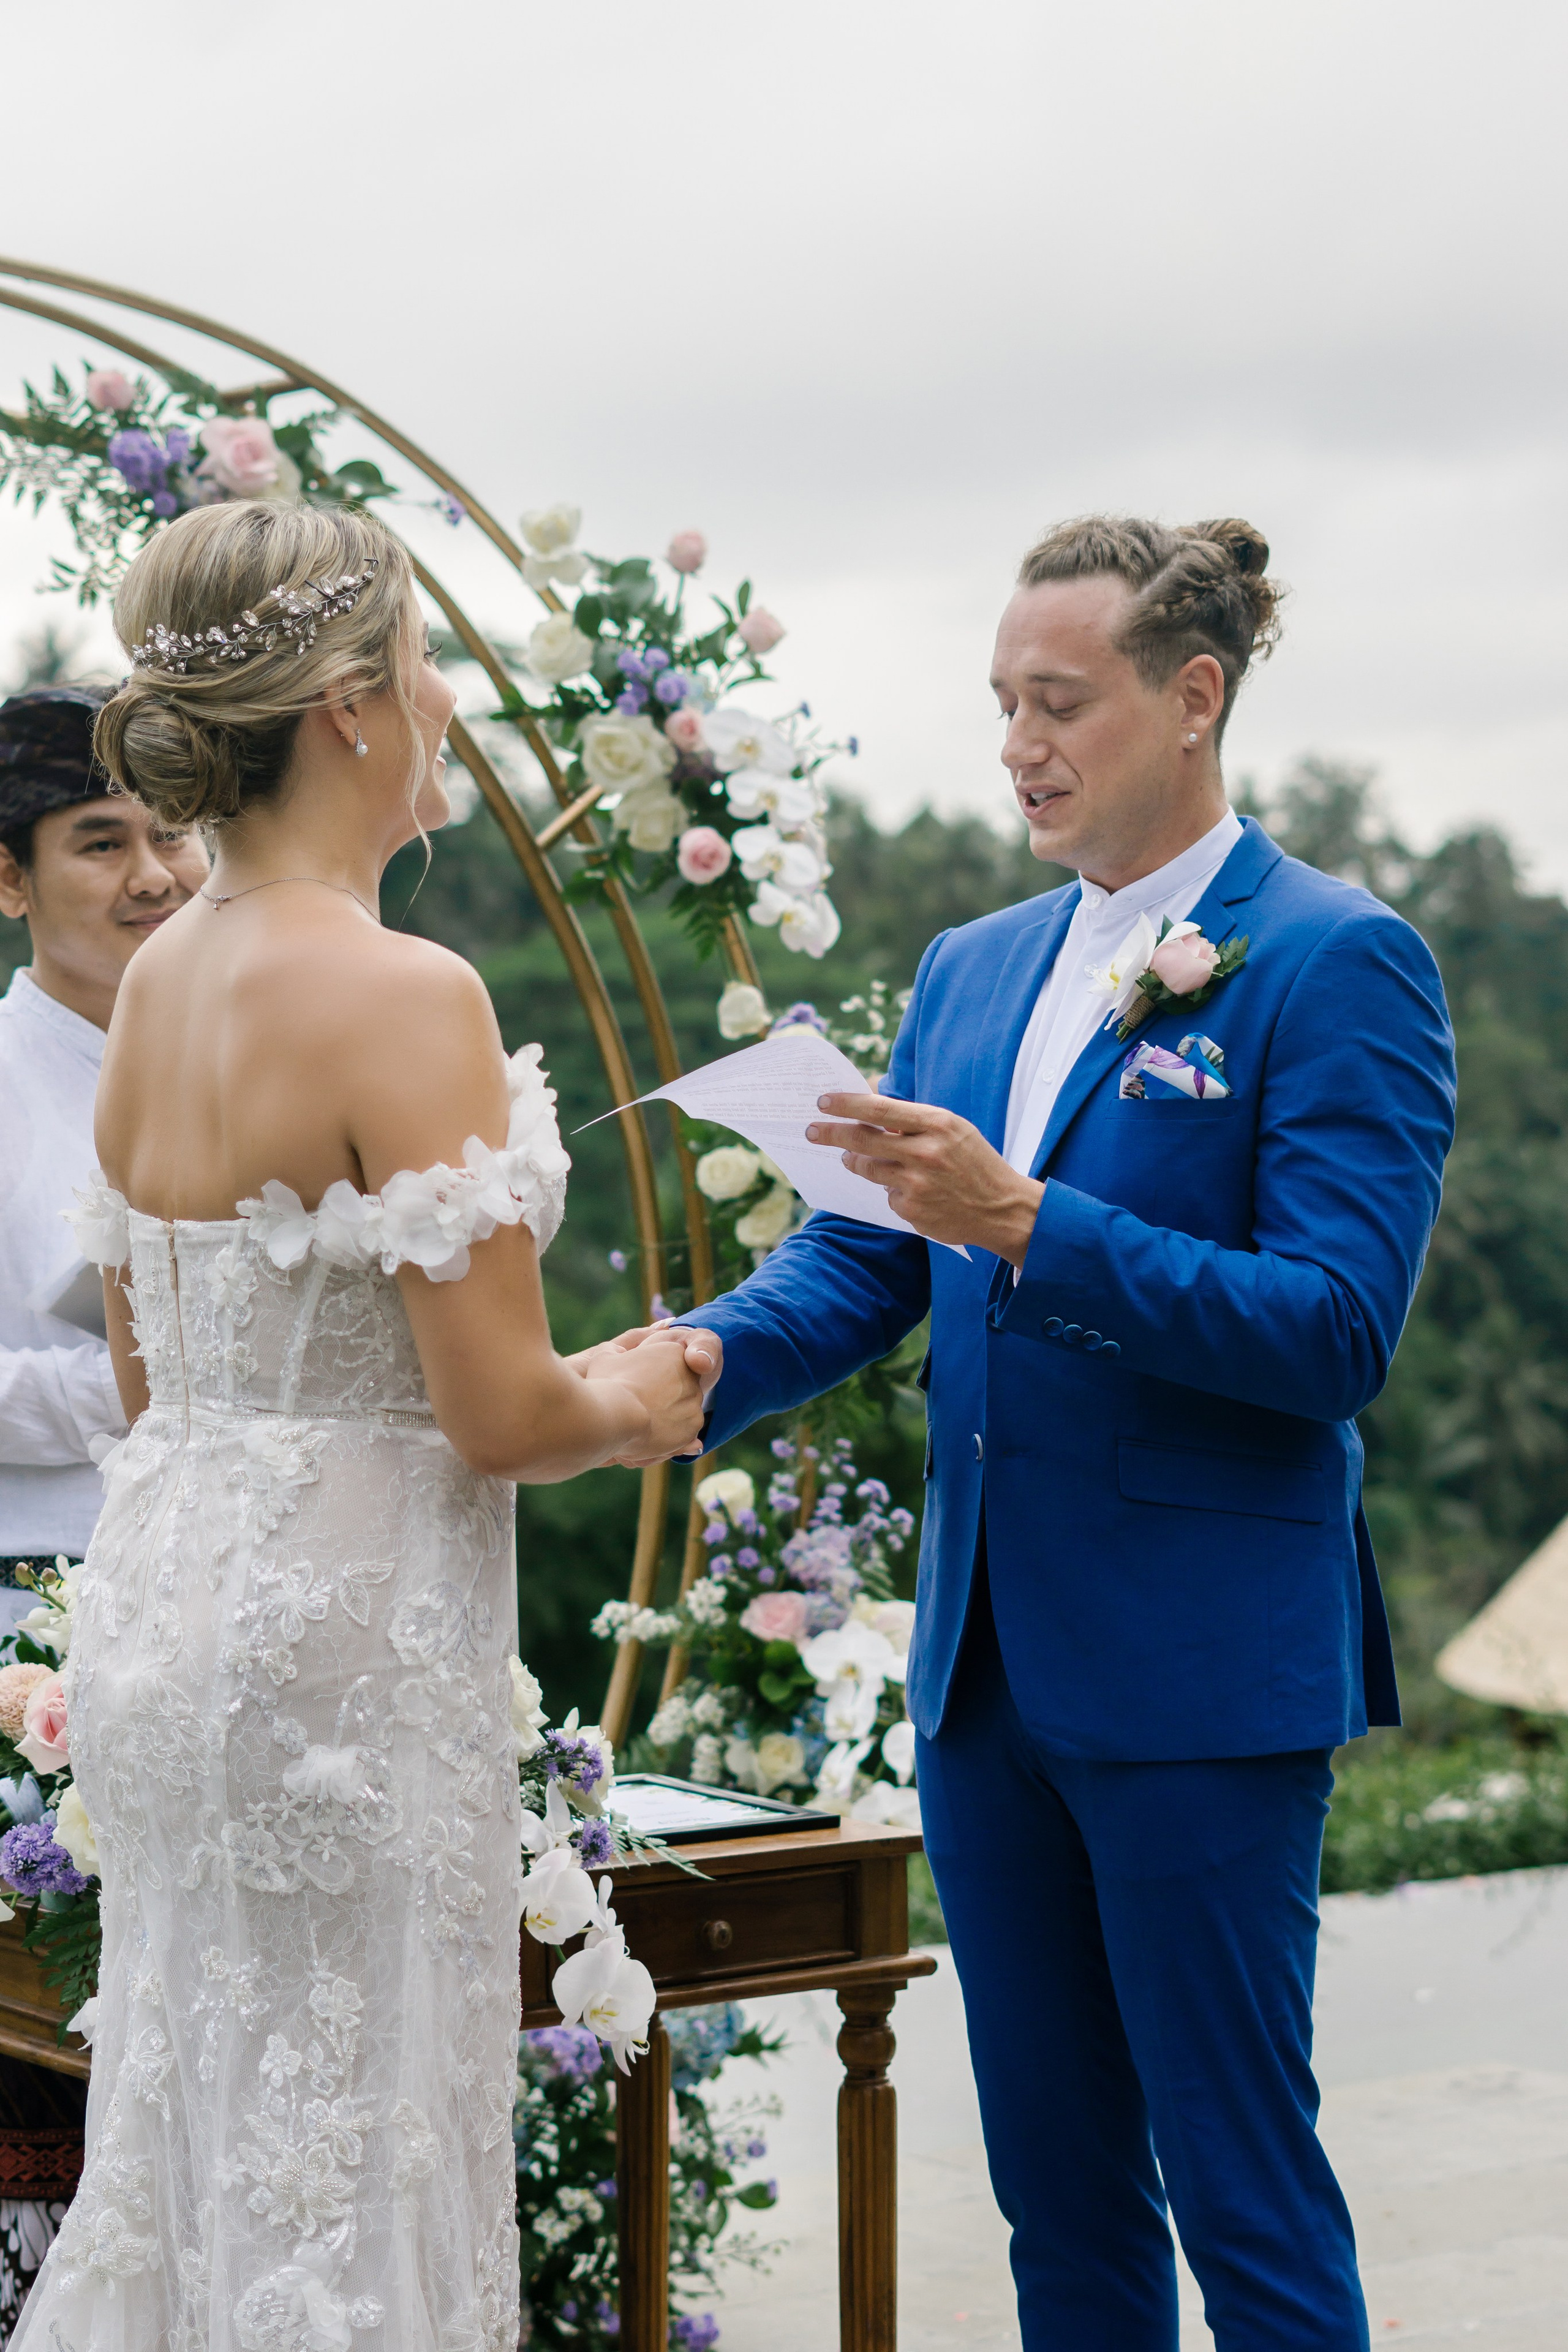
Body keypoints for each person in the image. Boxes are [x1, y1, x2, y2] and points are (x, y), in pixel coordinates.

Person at [667, 518, 1456, 2350]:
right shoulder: (972, 965)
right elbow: (871, 1258)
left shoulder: (1340, 959)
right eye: (1002, 704)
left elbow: (1334, 1331)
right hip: (984, 1677)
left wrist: (1029, 1220)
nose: (1019, 745)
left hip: (1200, 1679)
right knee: (1058, 2195)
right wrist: (695, 1364)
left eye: (1060, 702)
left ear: (1194, 698)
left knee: (1245, 2188)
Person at [12, 499, 709, 2352]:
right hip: (341, 1670)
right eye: (422, 664)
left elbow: (160, 1382)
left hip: (168, 1629)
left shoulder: (156, 984)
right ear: (346, 705)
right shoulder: (407, 993)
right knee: (352, 2153)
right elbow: (501, 1414)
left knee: (202, 2132)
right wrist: (636, 1401)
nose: (444, 703)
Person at [0, 684, 208, 2329]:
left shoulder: (242, 1044)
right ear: (10, 879)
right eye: (100, 841)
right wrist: (147, 1374)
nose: (154, 874)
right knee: (57, 2063)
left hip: (230, 1594)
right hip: (36, 1619)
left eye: (172, 832)